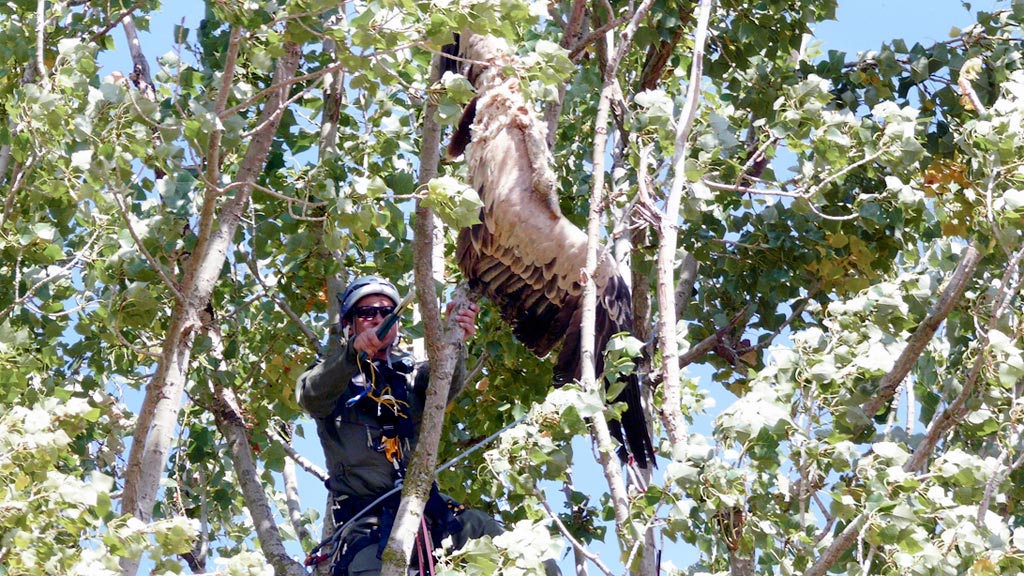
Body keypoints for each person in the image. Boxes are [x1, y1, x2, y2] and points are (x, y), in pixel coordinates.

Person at [296, 275, 503, 576]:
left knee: (507, 546)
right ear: (349, 325)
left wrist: (454, 340)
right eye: (366, 313)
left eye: (386, 313)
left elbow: (442, 387)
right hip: (369, 525)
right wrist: (352, 355)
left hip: (431, 514)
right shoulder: (332, 376)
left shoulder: (411, 375)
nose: (377, 318)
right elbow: (311, 396)